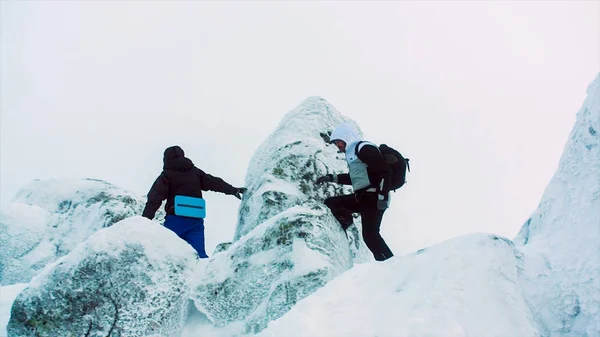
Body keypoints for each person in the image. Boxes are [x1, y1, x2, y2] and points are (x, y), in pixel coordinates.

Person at [142, 145, 246, 258]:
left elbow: (154, 198)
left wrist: (144, 220)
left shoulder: (166, 175)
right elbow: (214, 182)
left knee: (168, 253)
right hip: (196, 218)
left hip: (176, 218)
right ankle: (204, 274)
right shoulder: (195, 172)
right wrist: (233, 190)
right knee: (199, 255)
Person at [316, 123, 394, 261]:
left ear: (345, 137)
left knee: (370, 235)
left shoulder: (364, 148)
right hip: (363, 197)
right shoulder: (352, 155)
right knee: (331, 202)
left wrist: (382, 196)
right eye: (335, 143)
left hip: (374, 196)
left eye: (338, 141)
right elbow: (355, 178)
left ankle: (390, 263)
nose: (337, 146)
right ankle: (346, 222)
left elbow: (384, 172)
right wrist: (331, 178)